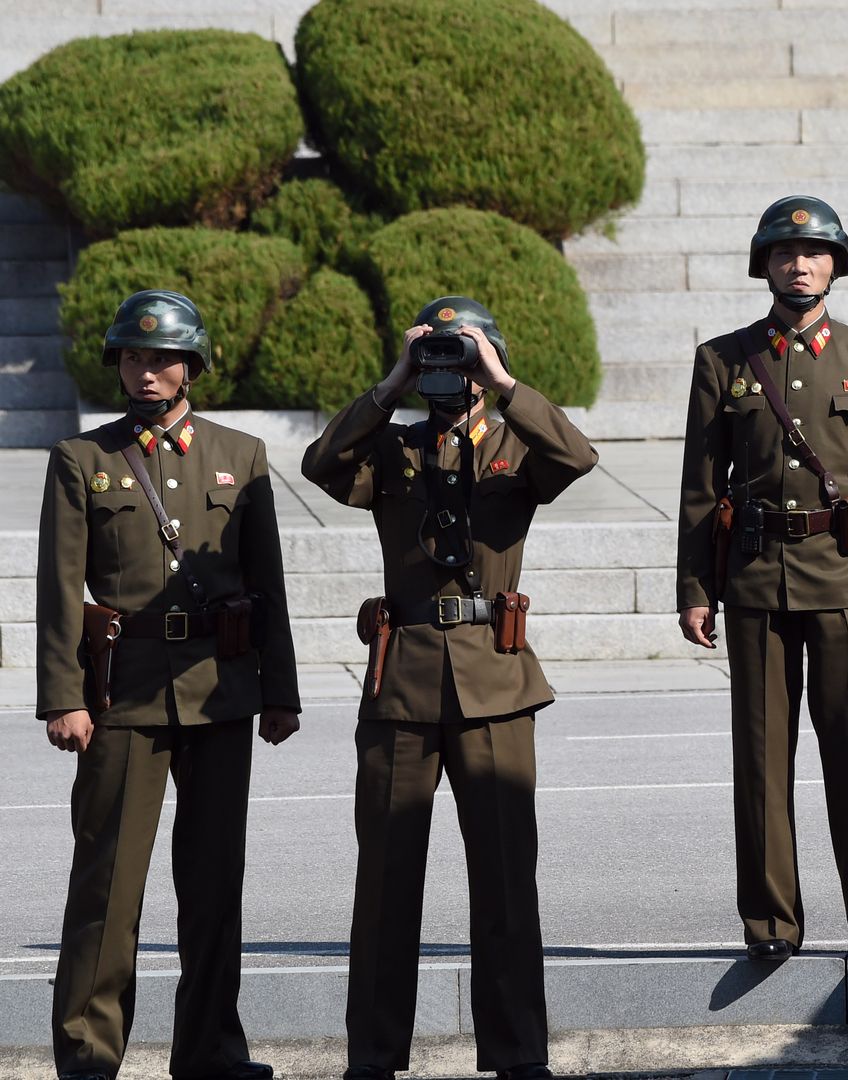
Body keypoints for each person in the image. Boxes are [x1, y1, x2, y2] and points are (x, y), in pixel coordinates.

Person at [301, 297, 597, 1080]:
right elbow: (321, 465)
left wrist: (503, 382)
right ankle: (372, 1059)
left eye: (458, 356)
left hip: (494, 681)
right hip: (401, 683)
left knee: (505, 883)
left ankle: (518, 1056)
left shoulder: (515, 442)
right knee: (385, 884)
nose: (448, 371)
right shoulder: (393, 447)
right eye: (437, 356)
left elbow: (577, 457)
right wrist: (392, 382)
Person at [38, 288, 300, 1080]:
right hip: (121, 696)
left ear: (192, 366)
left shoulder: (240, 453)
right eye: (132, 357)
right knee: (108, 888)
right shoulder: (83, 459)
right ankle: (89, 1056)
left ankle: (212, 1053)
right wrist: (64, 697)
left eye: (161, 358)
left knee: (215, 885)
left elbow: (267, 582)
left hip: (220, 689)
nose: (145, 371)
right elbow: (59, 589)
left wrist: (279, 691)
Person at [676, 196, 848, 961]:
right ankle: (772, 922)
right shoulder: (722, 360)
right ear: (766, 266)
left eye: (814, 252)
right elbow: (699, 488)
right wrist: (695, 589)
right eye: (785, 254)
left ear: (835, 265)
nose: (800, 265)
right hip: (756, 579)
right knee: (760, 758)